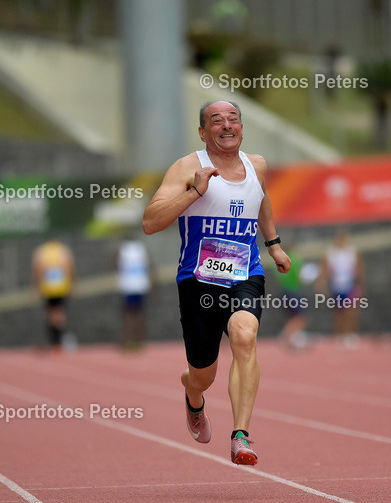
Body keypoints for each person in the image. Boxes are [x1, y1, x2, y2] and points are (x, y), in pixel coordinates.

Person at [142, 99, 290, 465]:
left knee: (245, 334)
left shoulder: (257, 166)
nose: (226, 126)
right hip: (198, 281)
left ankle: (240, 435)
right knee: (202, 374)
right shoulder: (187, 167)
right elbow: (150, 222)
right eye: (216, 121)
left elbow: (262, 198)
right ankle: (193, 397)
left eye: (233, 119)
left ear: (242, 127)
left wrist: (273, 245)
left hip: (245, 273)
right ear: (203, 131)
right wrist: (194, 192)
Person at [319, 230, 364, 348]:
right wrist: (322, 284)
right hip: (336, 285)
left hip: (350, 285)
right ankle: (340, 335)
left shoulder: (352, 252)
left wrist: (360, 284)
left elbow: (359, 269)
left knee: (351, 311)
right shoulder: (330, 253)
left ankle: (350, 333)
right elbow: (325, 270)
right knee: (338, 312)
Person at [33, 239, 75, 351]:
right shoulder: (63, 252)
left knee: (51, 313)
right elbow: (69, 268)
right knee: (59, 313)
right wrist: (72, 284)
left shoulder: (42, 252)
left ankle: (55, 339)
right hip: (61, 287)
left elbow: (38, 269)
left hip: (49, 288)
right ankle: (58, 338)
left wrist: (36, 286)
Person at [115, 236, 151, 351]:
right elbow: (149, 265)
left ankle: (128, 340)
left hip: (128, 286)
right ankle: (140, 340)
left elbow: (114, 265)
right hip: (140, 285)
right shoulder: (142, 249)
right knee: (139, 314)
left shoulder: (122, 250)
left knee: (128, 315)